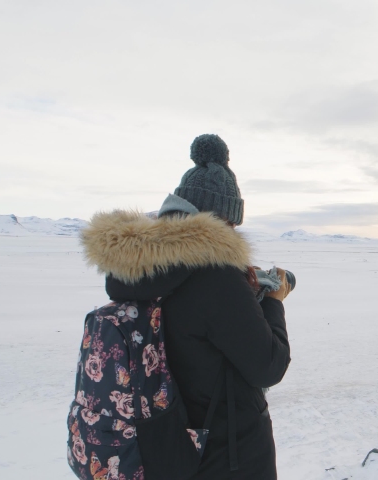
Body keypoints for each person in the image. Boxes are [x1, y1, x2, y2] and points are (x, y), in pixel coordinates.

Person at [81, 134, 291, 479]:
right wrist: (272, 303)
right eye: (232, 224)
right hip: (227, 454)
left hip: (166, 447)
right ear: (222, 220)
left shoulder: (142, 271)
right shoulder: (215, 278)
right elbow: (268, 366)